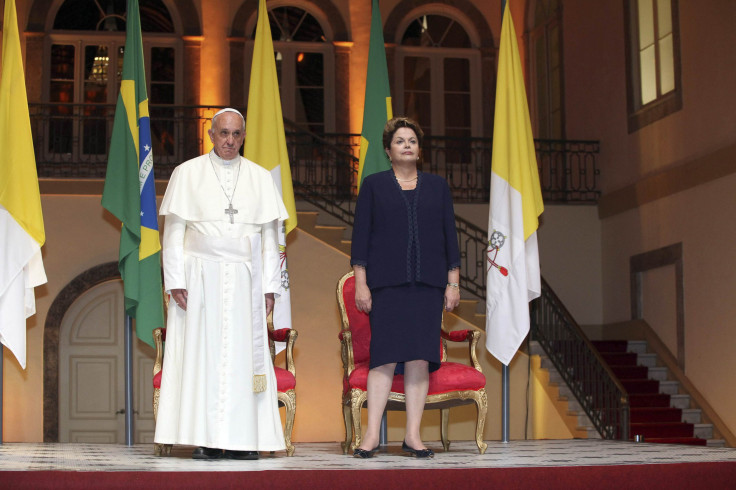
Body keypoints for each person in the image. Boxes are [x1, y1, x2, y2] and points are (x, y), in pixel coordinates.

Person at [154, 108, 289, 460]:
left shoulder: (260, 178)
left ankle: (246, 441)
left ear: (244, 137)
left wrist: (270, 288)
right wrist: (175, 280)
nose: (229, 141)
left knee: (244, 358)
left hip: (247, 279)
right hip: (200, 278)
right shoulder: (187, 173)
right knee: (203, 357)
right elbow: (174, 233)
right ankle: (206, 438)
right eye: (223, 133)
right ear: (211, 135)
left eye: (236, 134)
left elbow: (270, 237)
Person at [350, 116, 461, 459]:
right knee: (383, 359)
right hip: (386, 287)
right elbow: (361, 239)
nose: (407, 145)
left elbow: (450, 237)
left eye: (412, 140)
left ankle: (413, 436)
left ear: (419, 149)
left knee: (419, 360)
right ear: (388, 150)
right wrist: (361, 284)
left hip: (428, 286)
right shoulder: (373, 185)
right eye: (400, 141)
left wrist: (453, 282)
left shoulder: (438, 187)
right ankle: (370, 437)